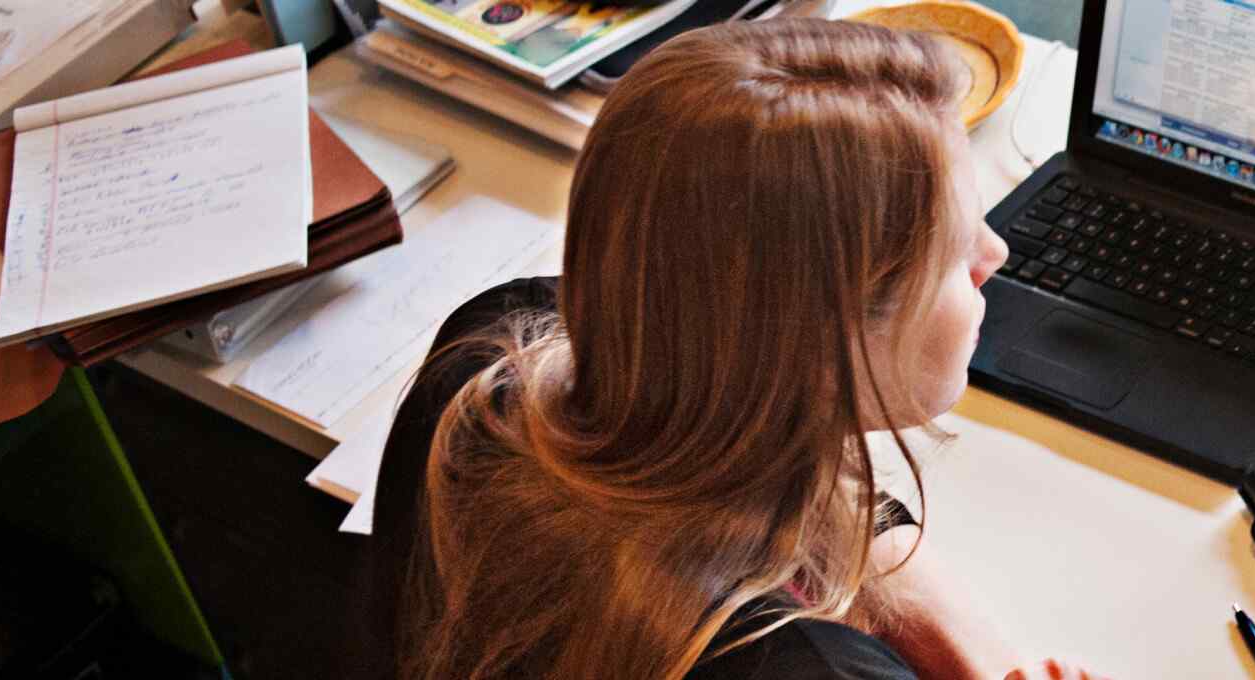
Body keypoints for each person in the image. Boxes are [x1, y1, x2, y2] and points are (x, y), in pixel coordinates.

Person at [381, 19, 1091, 680]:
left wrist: (961, 639)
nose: (994, 254)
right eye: (952, 251)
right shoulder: (807, 666)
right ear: (816, 344)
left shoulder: (498, 351)